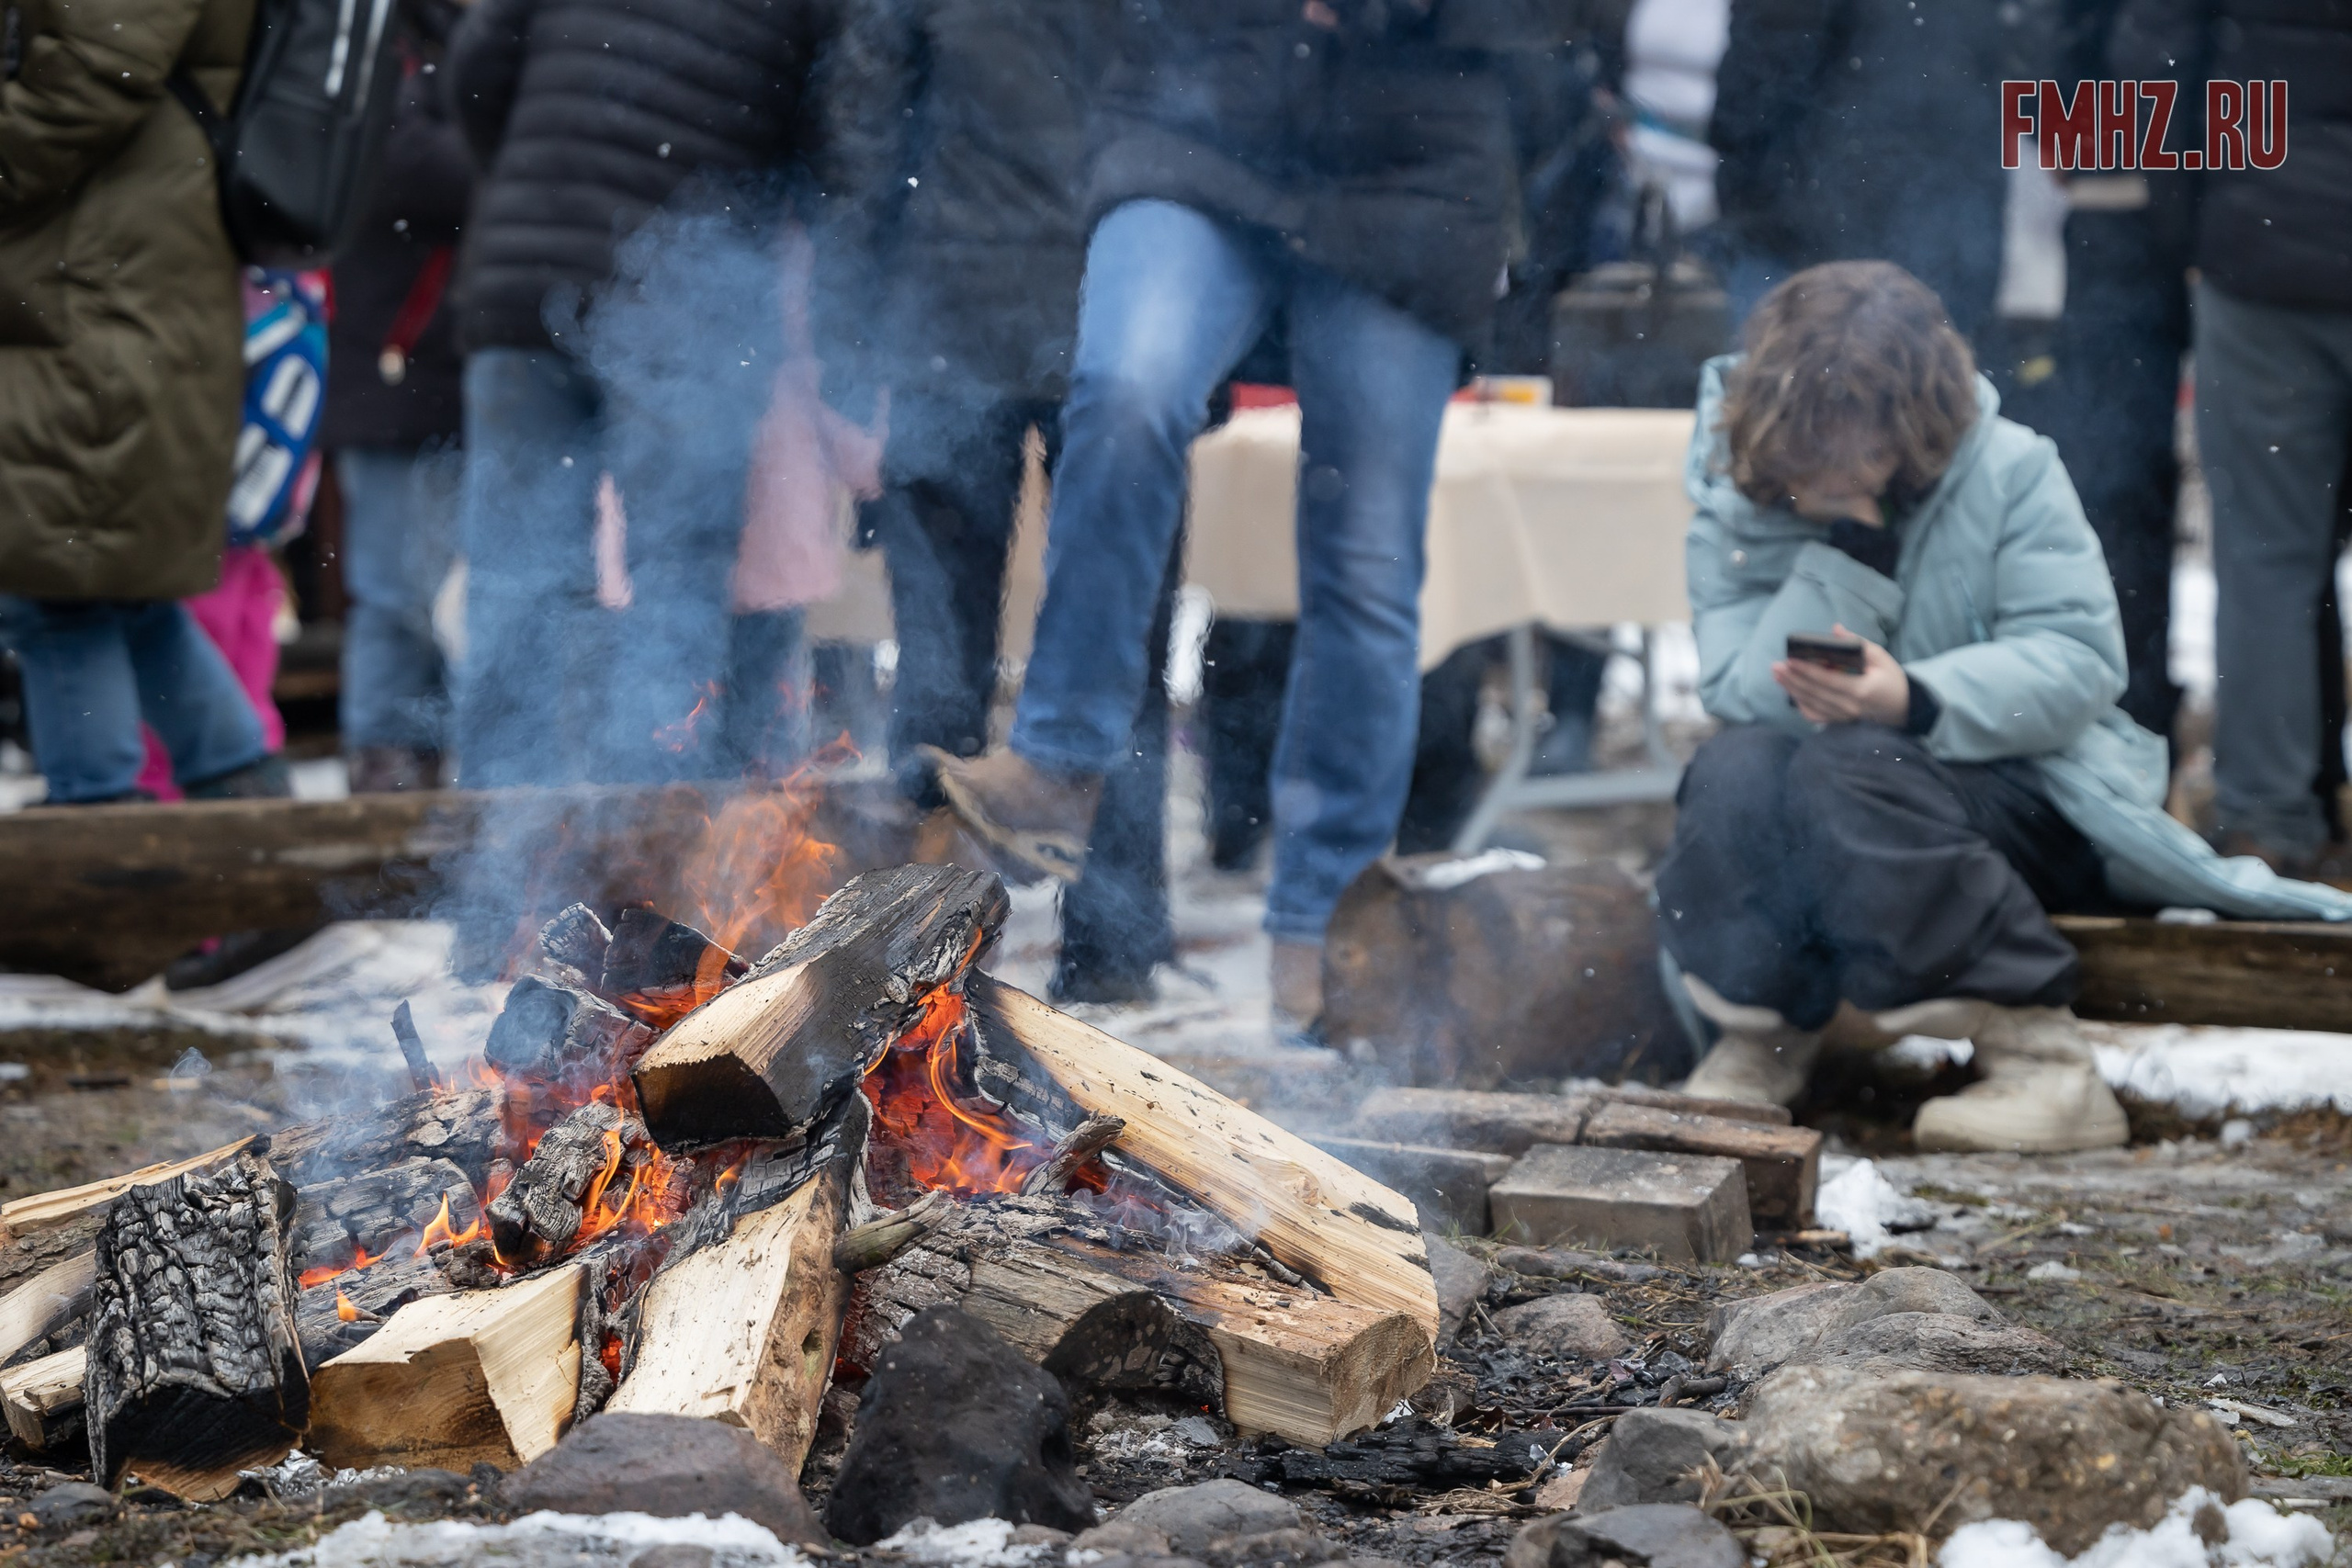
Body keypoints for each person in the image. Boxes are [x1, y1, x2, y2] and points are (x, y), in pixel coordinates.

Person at [924, 0, 1574, 1032]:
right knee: (1129, 392)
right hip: (1200, 120)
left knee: (1362, 553)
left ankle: (1324, 921)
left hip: (1413, 159)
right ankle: (1056, 757)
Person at [1656, 261, 2352, 1154]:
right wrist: (1847, 552)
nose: (1821, 459)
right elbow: (1734, 686)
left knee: (1853, 766)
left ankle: (2046, 1065)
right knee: (1733, 767)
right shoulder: (1736, 492)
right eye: (1808, 438)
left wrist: (1913, 697)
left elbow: (2078, 662)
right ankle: (1760, 1036)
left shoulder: (2013, 470)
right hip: (1843, 805)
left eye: (1850, 435)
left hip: (2029, 798)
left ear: (1910, 416)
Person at [813, 0, 1174, 1002]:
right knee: (1119, 622)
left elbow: (863, 128)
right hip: (1117, 292)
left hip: (946, 300)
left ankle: (926, 953)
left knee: (940, 647)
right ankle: (1114, 937)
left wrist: (849, 323)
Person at [445, 0, 842, 787]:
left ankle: (497, 869)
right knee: (677, 587)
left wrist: (546, 181)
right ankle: (648, 859)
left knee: (514, 586)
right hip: (682, 311)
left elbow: (476, 79)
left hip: (529, 277)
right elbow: (831, 154)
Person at [0, 0, 292, 805]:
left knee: (53, 585)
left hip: (99, 300)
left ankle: (108, 853)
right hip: (108, 291)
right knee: (112, 585)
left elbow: (85, 83)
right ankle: (248, 823)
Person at [2110, 0, 2352, 874]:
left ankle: (2271, 824)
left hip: (2265, 255)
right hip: (2263, 244)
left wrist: (2199, 220)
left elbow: (2157, 57)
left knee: (2268, 559)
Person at [322, 0, 473, 794]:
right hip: (391, 365)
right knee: (392, 592)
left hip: (430, 366)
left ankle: (419, 763)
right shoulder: (386, 44)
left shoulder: (444, 42)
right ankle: (386, 769)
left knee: (437, 595)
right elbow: (404, 167)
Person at [1705, 0, 2021, 342]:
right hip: (1939, 227)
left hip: (1810, 227)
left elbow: (1754, 88)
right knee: (1926, 375)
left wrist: (1747, 202)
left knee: (1790, 373)